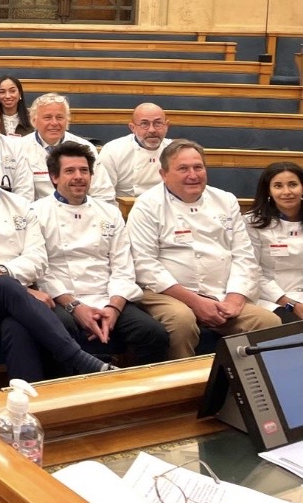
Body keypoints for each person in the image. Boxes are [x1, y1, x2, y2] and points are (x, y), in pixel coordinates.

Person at [0, 137, 114, 381]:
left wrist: (5, 273)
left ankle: (33, 402)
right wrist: (24, 289)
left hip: (16, 294)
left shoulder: (19, 203)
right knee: (4, 285)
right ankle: (78, 358)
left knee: (16, 325)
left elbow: (38, 259)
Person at [128, 140, 281, 358]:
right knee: (182, 321)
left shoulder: (225, 200)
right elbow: (144, 264)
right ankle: (182, 388)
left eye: (198, 167)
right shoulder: (147, 205)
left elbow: (244, 256)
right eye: (183, 169)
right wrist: (196, 302)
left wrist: (234, 299)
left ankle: (248, 387)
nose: (193, 175)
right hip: (165, 293)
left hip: (221, 294)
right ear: (163, 174)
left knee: (269, 323)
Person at [31, 142, 169, 364]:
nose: (79, 177)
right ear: (54, 177)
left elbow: (123, 267)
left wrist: (113, 308)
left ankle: (138, 393)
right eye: (70, 171)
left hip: (107, 295)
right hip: (62, 297)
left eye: (84, 171)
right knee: (60, 330)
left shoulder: (110, 213)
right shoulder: (36, 212)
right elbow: (40, 271)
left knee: (153, 333)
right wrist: (75, 307)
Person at [17, 93, 113, 202]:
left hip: (79, 211)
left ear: (67, 120)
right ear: (34, 121)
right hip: (37, 214)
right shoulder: (19, 148)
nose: (54, 123)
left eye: (60, 117)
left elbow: (103, 194)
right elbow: (21, 197)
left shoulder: (85, 148)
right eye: (47, 117)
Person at [245, 162, 303, 324]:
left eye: (293, 184)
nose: (287, 192)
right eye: (278, 186)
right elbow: (253, 271)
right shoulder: (252, 222)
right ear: (268, 191)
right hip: (272, 299)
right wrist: (291, 304)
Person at [97, 102, 172, 200]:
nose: (152, 130)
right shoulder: (113, 150)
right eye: (144, 124)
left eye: (158, 123)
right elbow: (103, 195)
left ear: (166, 126)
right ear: (133, 128)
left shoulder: (175, 151)